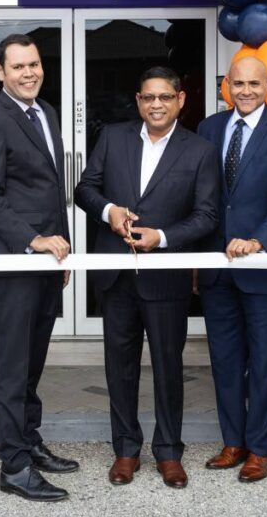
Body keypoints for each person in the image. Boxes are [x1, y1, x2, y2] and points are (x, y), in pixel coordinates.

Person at [74, 66, 219, 489]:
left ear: (180, 101)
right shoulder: (113, 137)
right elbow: (86, 188)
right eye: (148, 97)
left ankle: (169, 452)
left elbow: (207, 215)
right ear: (138, 101)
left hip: (166, 277)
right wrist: (109, 211)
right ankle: (125, 450)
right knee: (118, 367)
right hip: (115, 274)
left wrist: (164, 237)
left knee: (168, 367)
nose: (156, 104)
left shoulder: (200, 151)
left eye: (165, 97)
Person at [0, 33, 77, 503]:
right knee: (12, 366)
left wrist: (62, 250)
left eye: (34, 64)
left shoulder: (46, 112)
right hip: (14, 263)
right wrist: (33, 241)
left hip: (48, 263)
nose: (29, 73)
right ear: (1, 72)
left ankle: (29, 440)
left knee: (32, 362)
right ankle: (13, 465)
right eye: (18, 67)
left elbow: (52, 190)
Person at [196, 56, 267, 483]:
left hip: (263, 266)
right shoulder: (208, 128)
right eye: (237, 83)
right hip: (216, 269)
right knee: (224, 359)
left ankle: (260, 448)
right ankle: (233, 441)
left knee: (264, 361)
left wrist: (259, 240)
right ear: (226, 84)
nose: (245, 91)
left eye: (254, 84)